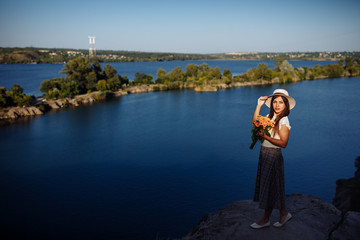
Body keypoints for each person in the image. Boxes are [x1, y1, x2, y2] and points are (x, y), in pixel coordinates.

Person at [250, 89, 296, 229]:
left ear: (285, 105)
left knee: (269, 186)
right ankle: (284, 213)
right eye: (275, 102)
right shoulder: (270, 117)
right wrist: (258, 105)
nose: (277, 105)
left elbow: (284, 143)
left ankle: (265, 219)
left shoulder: (283, 119)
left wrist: (265, 137)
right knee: (274, 186)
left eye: (280, 102)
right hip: (264, 153)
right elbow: (255, 123)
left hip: (273, 155)